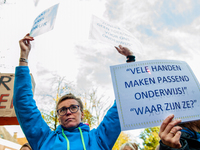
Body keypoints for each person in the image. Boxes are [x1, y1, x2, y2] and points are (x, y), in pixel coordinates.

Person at [13, 33, 135, 150]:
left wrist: (130, 60)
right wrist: (23, 56)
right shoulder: (45, 139)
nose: (68, 112)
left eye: (73, 107)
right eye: (62, 110)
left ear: (82, 114)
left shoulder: (99, 139)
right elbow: (24, 105)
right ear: (58, 117)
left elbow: (121, 105)